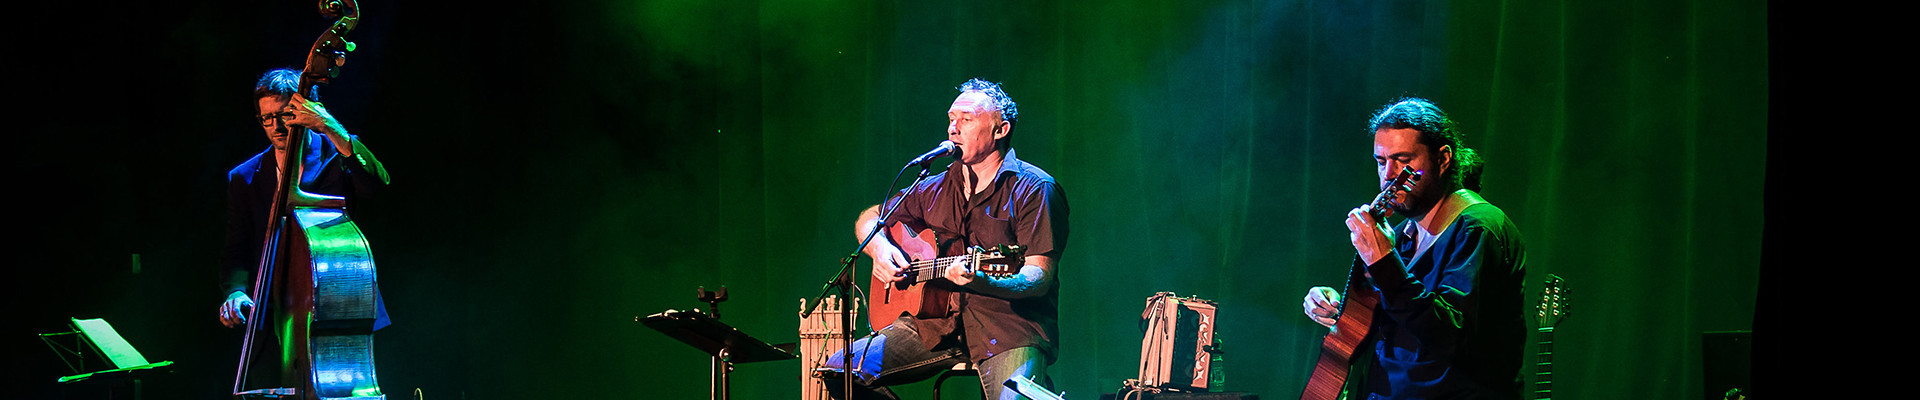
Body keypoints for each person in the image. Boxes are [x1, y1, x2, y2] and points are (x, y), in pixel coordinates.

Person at [824, 78, 1069, 400]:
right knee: (839, 369)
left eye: (966, 119)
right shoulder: (933, 186)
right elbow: (870, 218)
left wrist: (983, 282)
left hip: (1008, 328)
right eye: (951, 119)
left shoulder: (1035, 188)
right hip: (934, 325)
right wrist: (881, 250)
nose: (954, 128)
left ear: (1001, 130)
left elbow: (1038, 276)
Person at [1301, 97, 1525, 400]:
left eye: (1404, 160)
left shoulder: (1478, 228)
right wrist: (1344, 310)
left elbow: (1452, 338)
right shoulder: (1404, 234)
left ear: (1443, 158)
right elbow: (1400, 318)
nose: (1388, 175)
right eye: (1381, 162)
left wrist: (1384, 263)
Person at [216, 68, 390, 380]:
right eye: (265, 119)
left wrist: (329, 127)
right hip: (274, 316)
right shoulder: (243, 177)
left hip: (339, 306)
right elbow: (237, 247)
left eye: (283, 115)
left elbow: (377, 184)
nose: (275, 127)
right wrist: (236, 291)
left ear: (305, 110)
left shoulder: (335, 155)